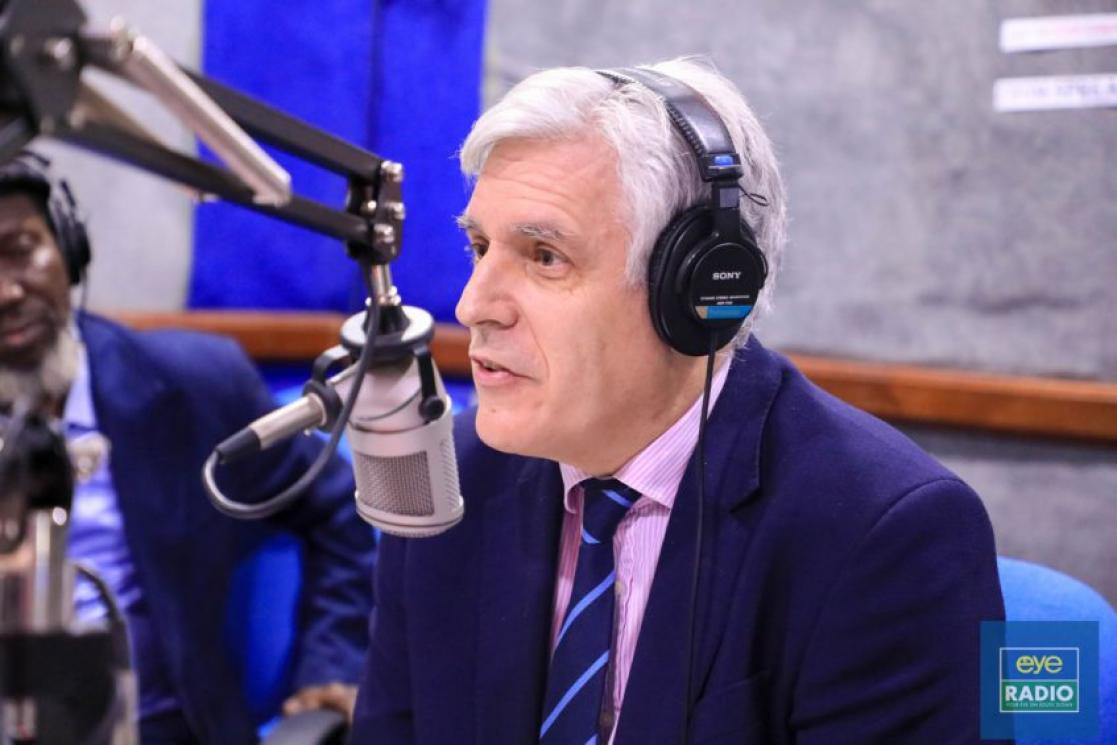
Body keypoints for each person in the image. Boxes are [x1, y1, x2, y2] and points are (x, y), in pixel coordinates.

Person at [350, 57, 1010, 744]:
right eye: (478, 246)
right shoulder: (448, 480)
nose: (472, 305)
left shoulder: (884, 532)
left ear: (697, 292)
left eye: (544, 256)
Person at [0, 152, 376, 745]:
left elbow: (338, 507)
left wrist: (332, 666)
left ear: (69, 249)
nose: (5, 291)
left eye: (20, 248)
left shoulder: (192, 385)